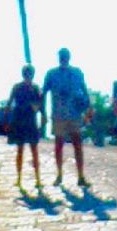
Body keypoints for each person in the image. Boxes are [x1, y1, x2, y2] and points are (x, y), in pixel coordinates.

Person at [42, 47, 90, 188]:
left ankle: (80, 176)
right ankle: (59, 174)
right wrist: (43, 113)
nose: (63, 58)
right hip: (59, 114)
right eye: (62, 56)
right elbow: (43, 93)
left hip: (74, 113)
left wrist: (88, 110)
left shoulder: (77, 73)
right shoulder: (51, 74)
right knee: (59, 145)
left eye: (65, 56)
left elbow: (85, 91)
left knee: (77, 145)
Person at [6, 65, 43, 190]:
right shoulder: (31, 88)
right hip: (23, 121)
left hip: (25, 120)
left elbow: (9, 104)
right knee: (26, 150)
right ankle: (25, 178)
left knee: (28, 150)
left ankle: (26, 178)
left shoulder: (27, 88)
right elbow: (40, 105)